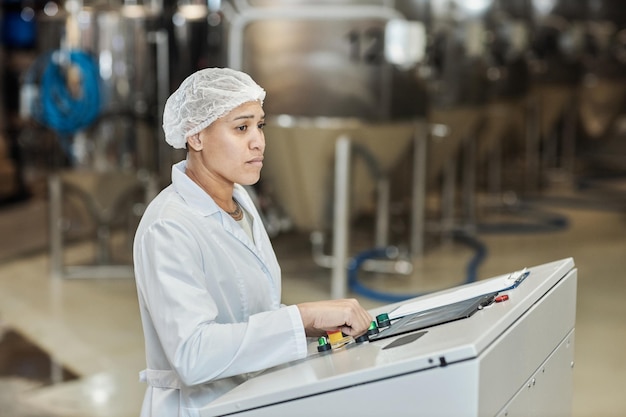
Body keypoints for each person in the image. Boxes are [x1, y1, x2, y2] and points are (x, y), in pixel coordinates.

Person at [133, 67, 373, 417]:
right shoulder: (168, 227)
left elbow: (249, 312)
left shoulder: (240, 200)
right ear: (196, 136)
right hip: (199, 407)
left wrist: (307, 325)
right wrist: (299, 316)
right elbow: (192, 355)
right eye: (241, 127)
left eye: (260, 125)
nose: (258, 141)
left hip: (253, 395)